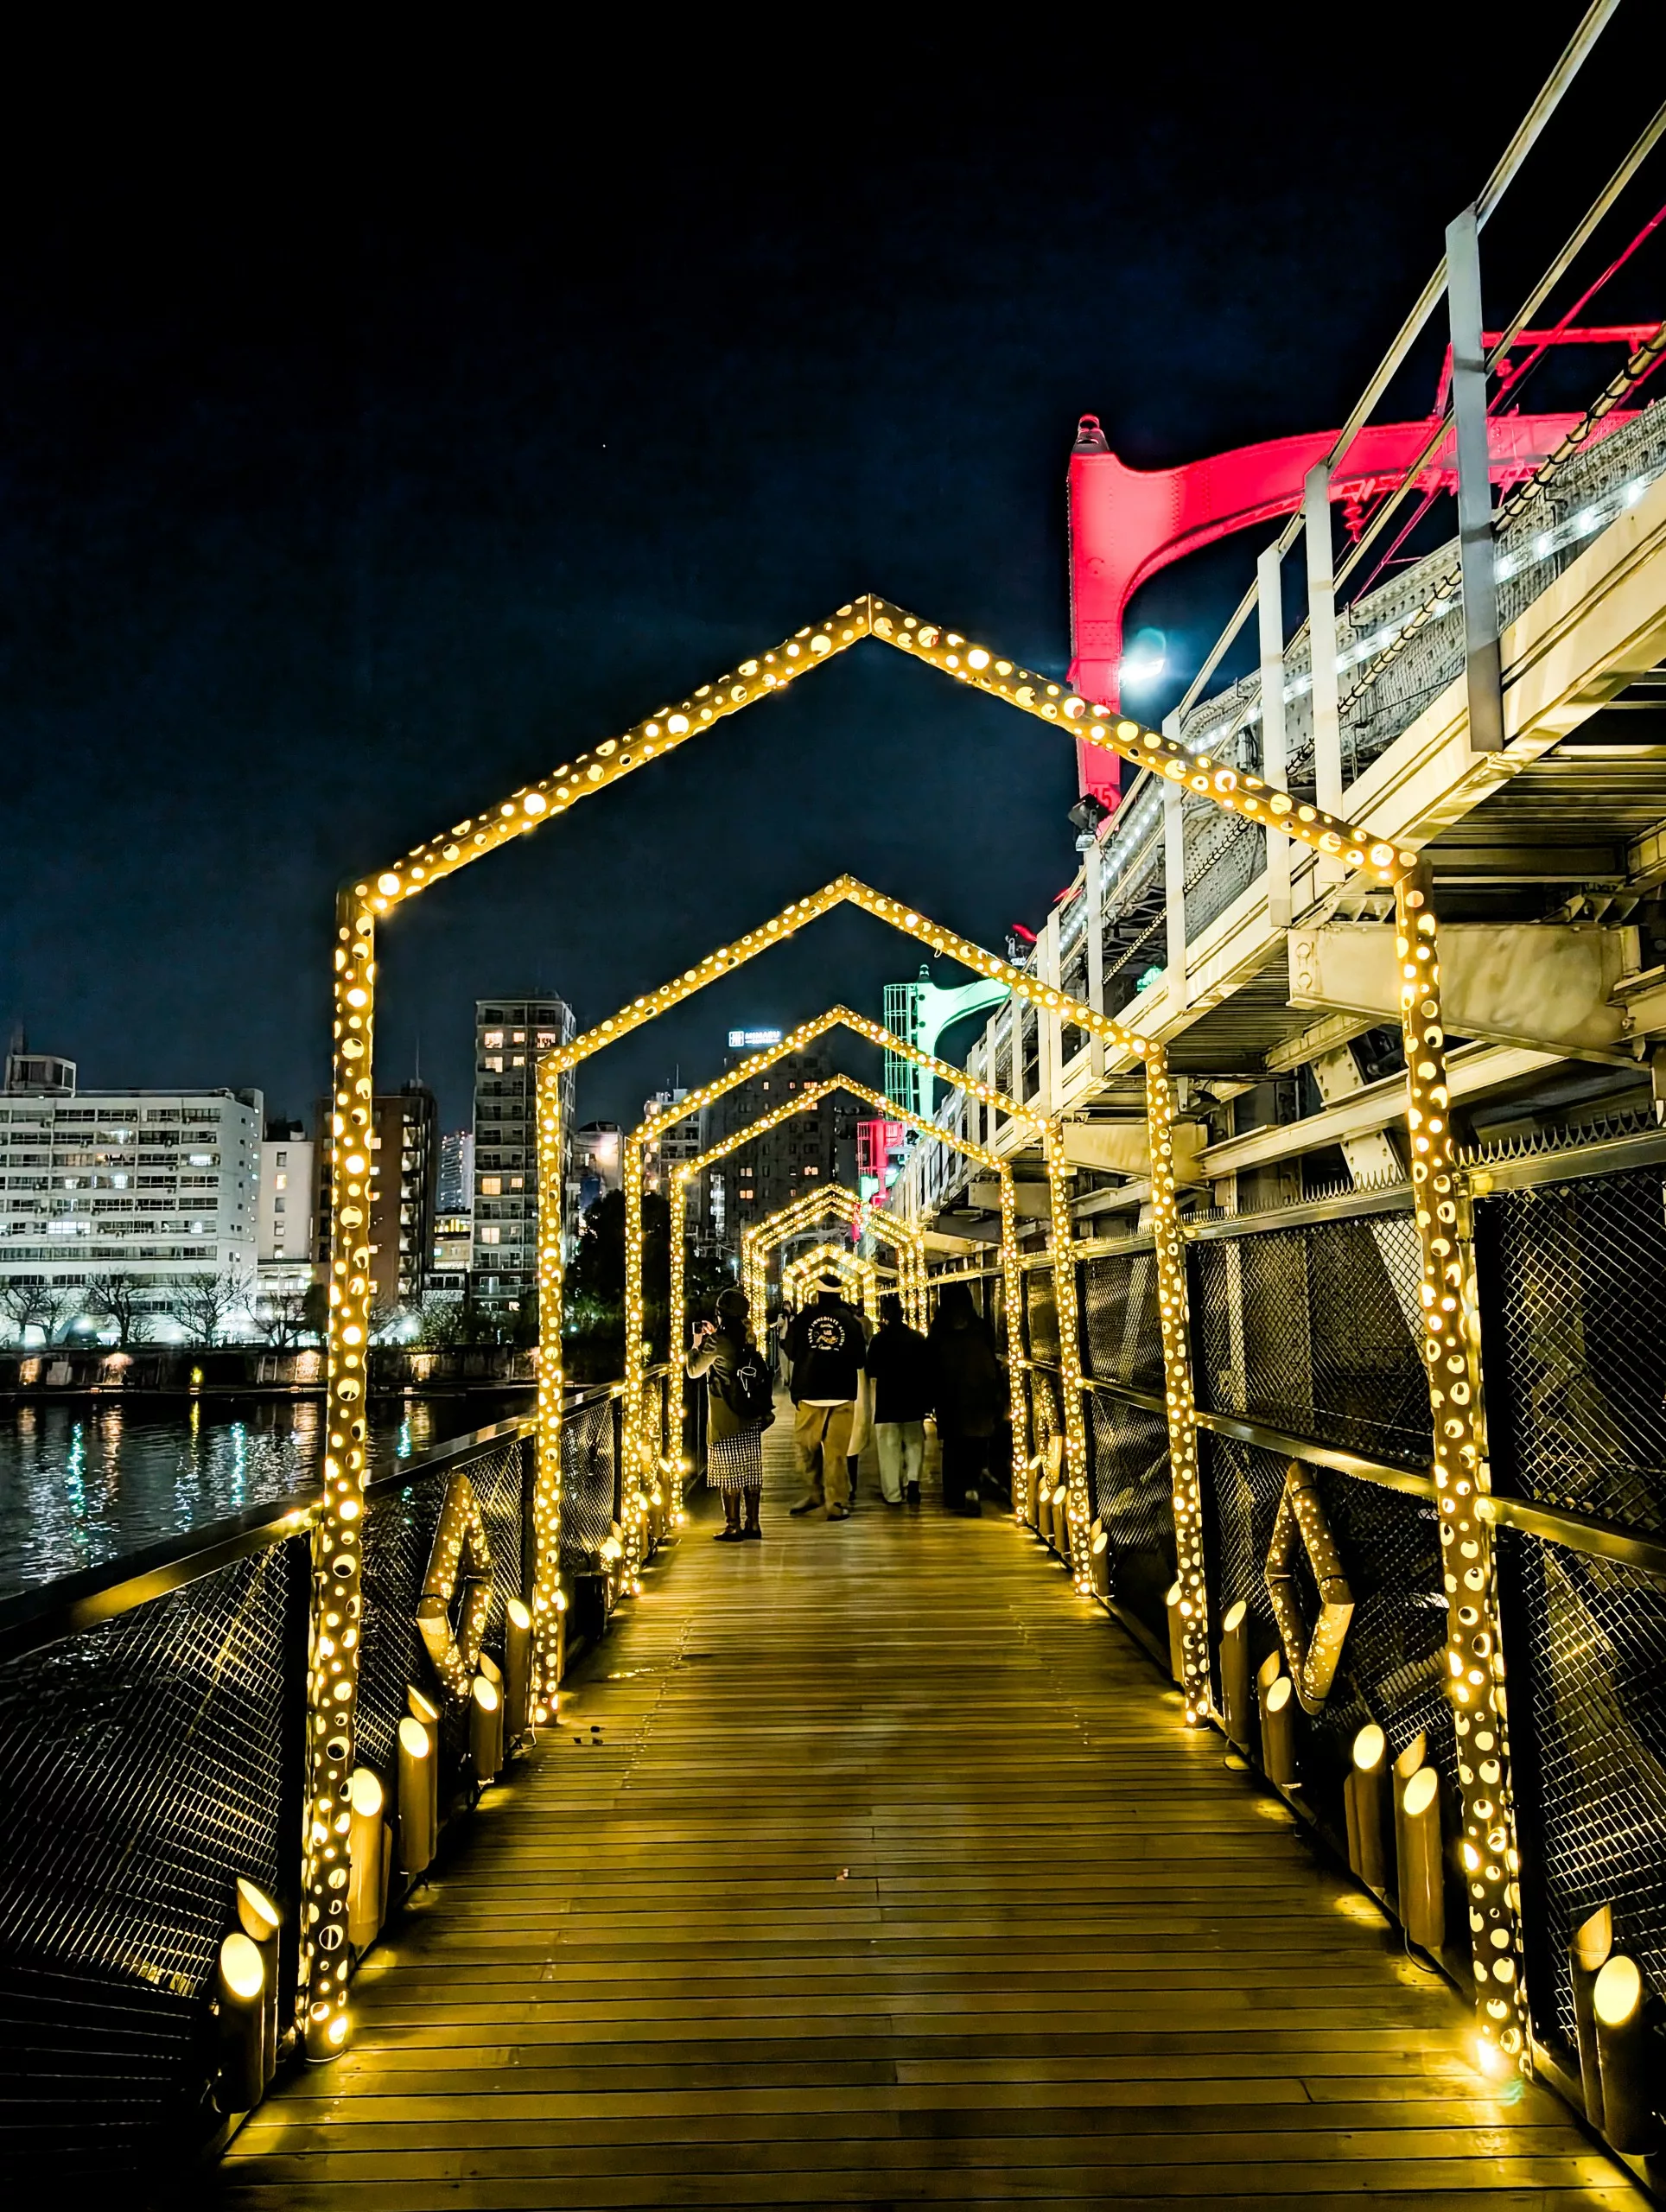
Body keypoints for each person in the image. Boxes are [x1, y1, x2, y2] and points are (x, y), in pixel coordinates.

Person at [686, 1287, 772, 1541]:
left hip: (726, 1413)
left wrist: (696, 1345)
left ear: (720, 1313)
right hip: (751, 1410)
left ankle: (733, 1526)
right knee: (750, 1468)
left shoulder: (717, 1342)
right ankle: (753, 1524)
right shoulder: (749, 1337)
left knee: (729, 1469)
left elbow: (694, 1370)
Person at [785, 1271, 867, 1521]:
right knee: (837, 1453)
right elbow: (859, 1360)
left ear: (817, 1292)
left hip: (810, 1393)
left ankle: (814, 1492)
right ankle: (836, 1502)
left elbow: (790, 1351)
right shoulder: (851, 1322)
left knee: (806, 1449)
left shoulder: (803, 1319)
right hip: (842, 1394)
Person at [929, 1280, 1005, 1516]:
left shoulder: (939, 1328)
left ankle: (953, 1494)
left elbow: (930, 1362)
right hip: (981, 1395)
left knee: (953, 1447)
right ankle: (972, 1487)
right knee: (976, 1446)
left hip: (950, 1396)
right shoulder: (980, 1326)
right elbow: (991, 1356)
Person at [865, 1291, 931, 1506]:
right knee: (914, 1442)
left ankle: (893, 1493)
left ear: (884, 1316)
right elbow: (926, 1369)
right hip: (913, 1399)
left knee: (889, 1447)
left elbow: (871, 1370)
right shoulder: (917, 1338)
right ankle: (913, 1482)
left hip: (888, 1401)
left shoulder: (878, 1340)